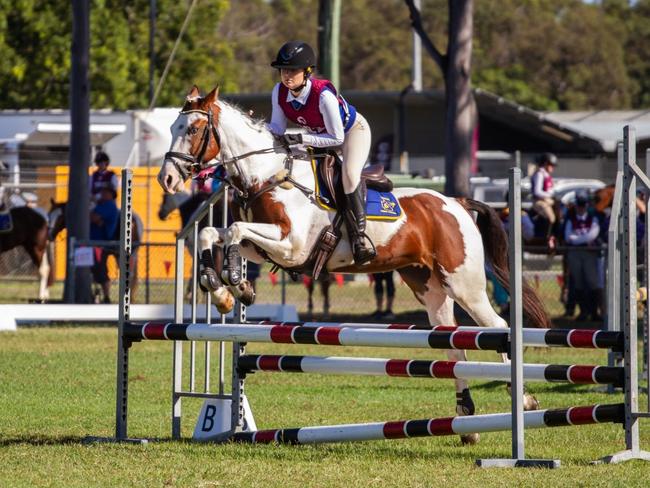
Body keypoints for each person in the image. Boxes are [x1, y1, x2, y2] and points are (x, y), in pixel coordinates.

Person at [267, 40, 375, 265]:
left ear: (307, 72)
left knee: (349, 175)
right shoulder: (279, 92)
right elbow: (277, 128)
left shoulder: (322, 95)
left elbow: (337, 138)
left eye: (293, 70)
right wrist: (257, 128)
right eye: (283, 70)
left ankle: (360, 237)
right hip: (318, 136)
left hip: (352, 132)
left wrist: (302, 138)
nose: (287, 75)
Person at [564, 191, 601, 322]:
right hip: (575, 252)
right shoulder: (571, 217)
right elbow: (568, 236)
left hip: (589, 253)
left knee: (592, 282)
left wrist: (577, 239)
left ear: (587, 205)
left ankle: (594, 312)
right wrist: (581, 240)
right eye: (578, 204)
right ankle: (583, 312)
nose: (580, 207)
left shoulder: (593, 217)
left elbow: (593, 234)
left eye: (583, 204)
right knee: (578, 282)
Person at [90, 186, 119, 303]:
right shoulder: (100, 205)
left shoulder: (109, 205)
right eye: (102, 192)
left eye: (105, 192)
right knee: (96, 269)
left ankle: (106, 296)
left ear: (111, 194)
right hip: (94, 242)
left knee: (101, 270)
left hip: (101, 243)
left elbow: (92, 217)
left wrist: (93, 214)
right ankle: (98, 294)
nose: (102, 194)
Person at [530, 152, 558, 242]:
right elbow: (537, 191)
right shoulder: (539, 174)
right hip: (538, 201)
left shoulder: (546, 175)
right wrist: (550, 195)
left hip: (547, 200)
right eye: (551, 165)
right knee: (551, 217)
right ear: (545, 164)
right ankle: (546, 239)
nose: (553, 168)